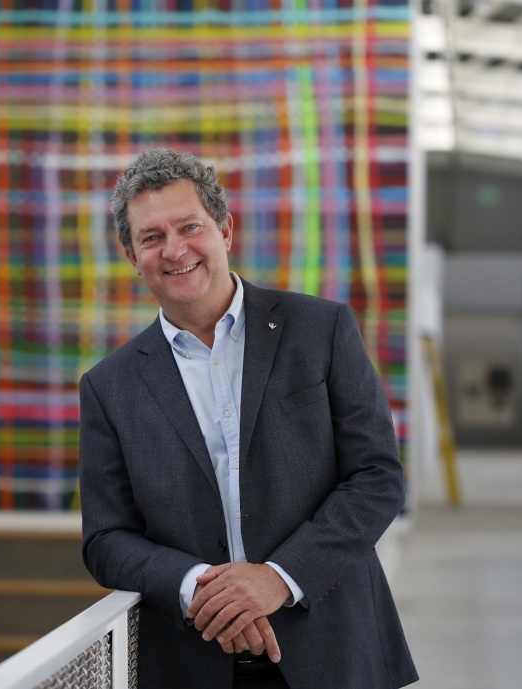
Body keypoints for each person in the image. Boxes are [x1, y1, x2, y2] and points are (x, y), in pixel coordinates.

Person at [79, 148, 418, 689]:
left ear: (225, 230)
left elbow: (376, 478)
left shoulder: (321, 330)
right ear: (131, 254)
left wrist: (278, 580)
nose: (175, 250)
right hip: (196, 663)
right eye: (151, 237)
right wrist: (199, 588)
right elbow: (106, 539)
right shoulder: (109, 387)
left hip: (335, 652)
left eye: (190, 226)